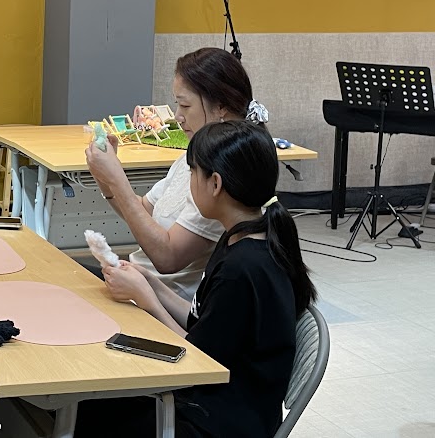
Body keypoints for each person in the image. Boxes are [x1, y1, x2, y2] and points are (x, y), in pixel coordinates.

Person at [76, 120, 317, 438]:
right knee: (88, 401)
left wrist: (147, 300)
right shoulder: (239, 239)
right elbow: (200, 322)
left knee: (85, 412)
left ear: (215, 184)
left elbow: (197, 360)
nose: (189, 182)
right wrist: (149, 282)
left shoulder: (243, 268)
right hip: (213, 401)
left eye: (193, 173)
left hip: (218, 421)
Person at [85, 47, 268, 300]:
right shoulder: (193, 155)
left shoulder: (223, 176)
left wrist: (116, 178)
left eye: (185, 105)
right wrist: (105, 177)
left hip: (164, 299)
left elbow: (168, 258)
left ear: (221, 106)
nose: (177, 116)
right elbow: (144, 210)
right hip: (142, 284)